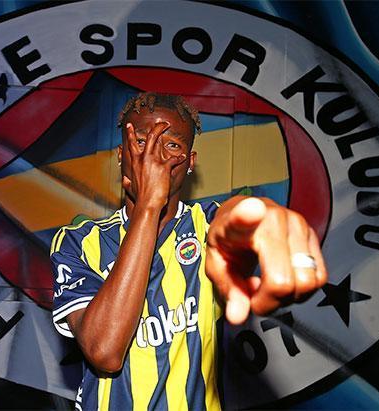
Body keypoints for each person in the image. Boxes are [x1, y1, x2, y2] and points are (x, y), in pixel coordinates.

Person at [50, 92, 327, 410]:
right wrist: (149, 206)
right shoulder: (79, 242)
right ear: (121, 154)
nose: (155, 158)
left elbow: (233, 220)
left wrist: (261, 213)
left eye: (171, 145)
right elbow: (105, 352)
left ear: (190, 162)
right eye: (141, 141)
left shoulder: (206, 226)